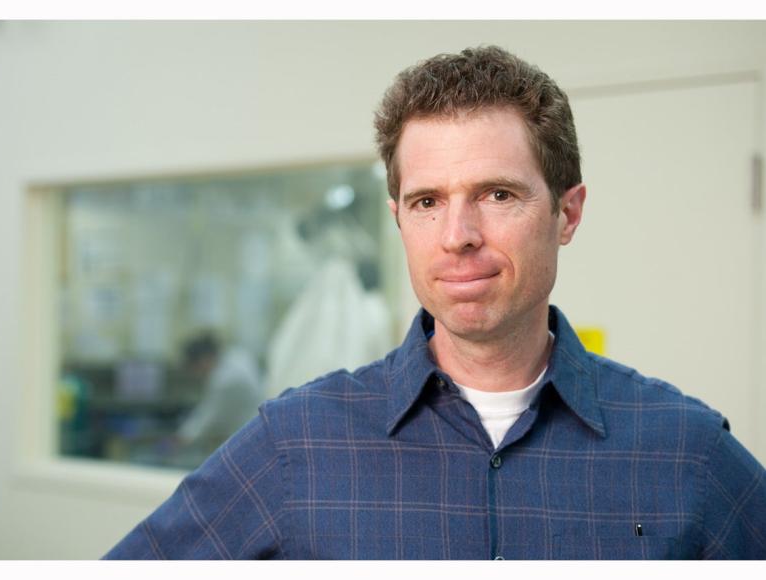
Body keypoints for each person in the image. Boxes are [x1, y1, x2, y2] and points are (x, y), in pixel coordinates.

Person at [104, 45, 766, 560]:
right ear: (399, 219)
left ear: (567, 213)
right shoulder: (296, 446)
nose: (458, 237)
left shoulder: (686, 454)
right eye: (428, 203)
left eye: (498, 195)